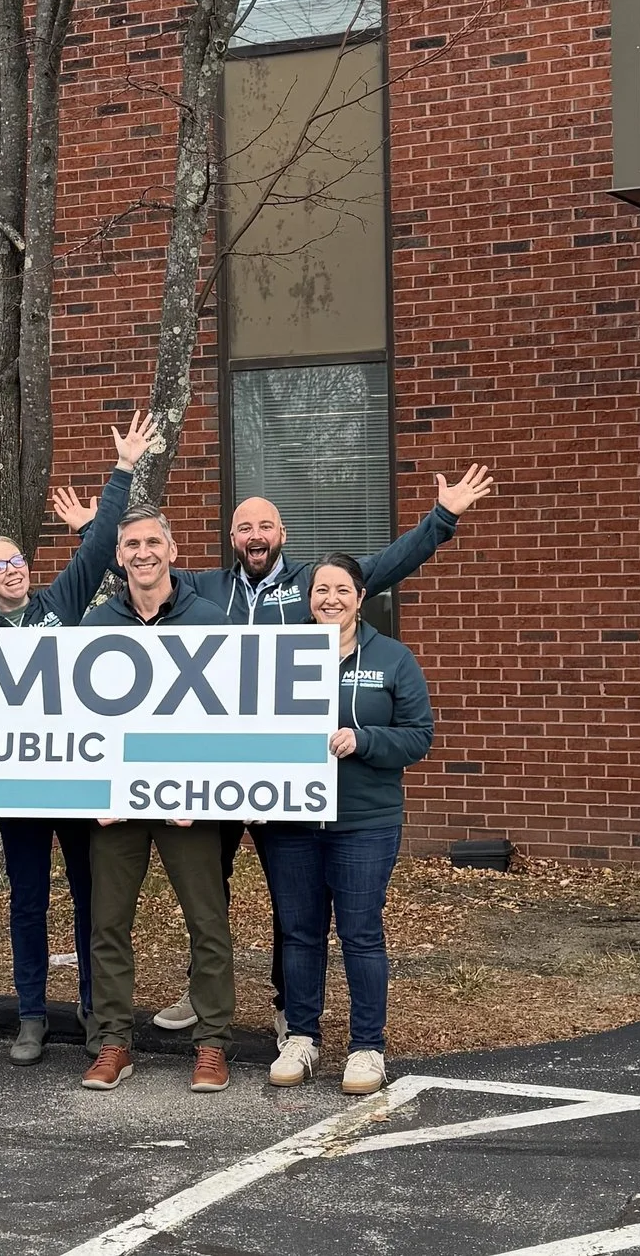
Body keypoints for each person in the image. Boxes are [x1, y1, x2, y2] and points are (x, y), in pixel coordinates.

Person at [143, 465, 495, 1036]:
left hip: (290, 774)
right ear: (232, 539)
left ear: (282, 533)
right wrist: (96, 529)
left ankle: (288, 1007)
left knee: (295, 906)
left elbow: (386, 565)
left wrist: (443, 517)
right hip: (222, 764)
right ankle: (204, 990)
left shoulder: (314, 583)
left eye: (265, 525)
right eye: (243, 528)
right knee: (210, 885)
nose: (254, 536)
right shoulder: (206, 587)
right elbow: (144, 569)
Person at [0, 410, 161, 1066]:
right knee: (27, 900)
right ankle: (31, 1014)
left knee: (91, 898)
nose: (13, 570)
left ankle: (90, 1008)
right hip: (20, 787)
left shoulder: (62, 600)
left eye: (17, 559)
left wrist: (123, 470)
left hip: (78, 779)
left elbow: (103, 537)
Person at [256, 553, 434, 1097]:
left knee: (360, 934)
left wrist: (365, 739)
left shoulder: (393, 658)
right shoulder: (279, 655)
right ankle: (303, 1037)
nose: (329, 598)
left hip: (364, 821)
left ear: (361, 596)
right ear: (307, 599)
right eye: (319, 590)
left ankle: (366, 1048)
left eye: (341, 589)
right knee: (300, 932)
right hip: (293, 818)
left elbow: (418, 735)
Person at [77, 504, 238, 1096]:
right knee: (109, 923)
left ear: (171, 551)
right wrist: (93, 789)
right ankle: (114, 1042)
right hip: (115, 803)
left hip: (187, 804)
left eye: (152, 543)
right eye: (131, 545)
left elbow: (235, 717)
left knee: (208, 921)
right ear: (118, 558)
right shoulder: (94, 627)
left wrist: (205, 789)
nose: (142, 553)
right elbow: (72, 720)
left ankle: (213, 1043)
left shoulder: (211, 619)